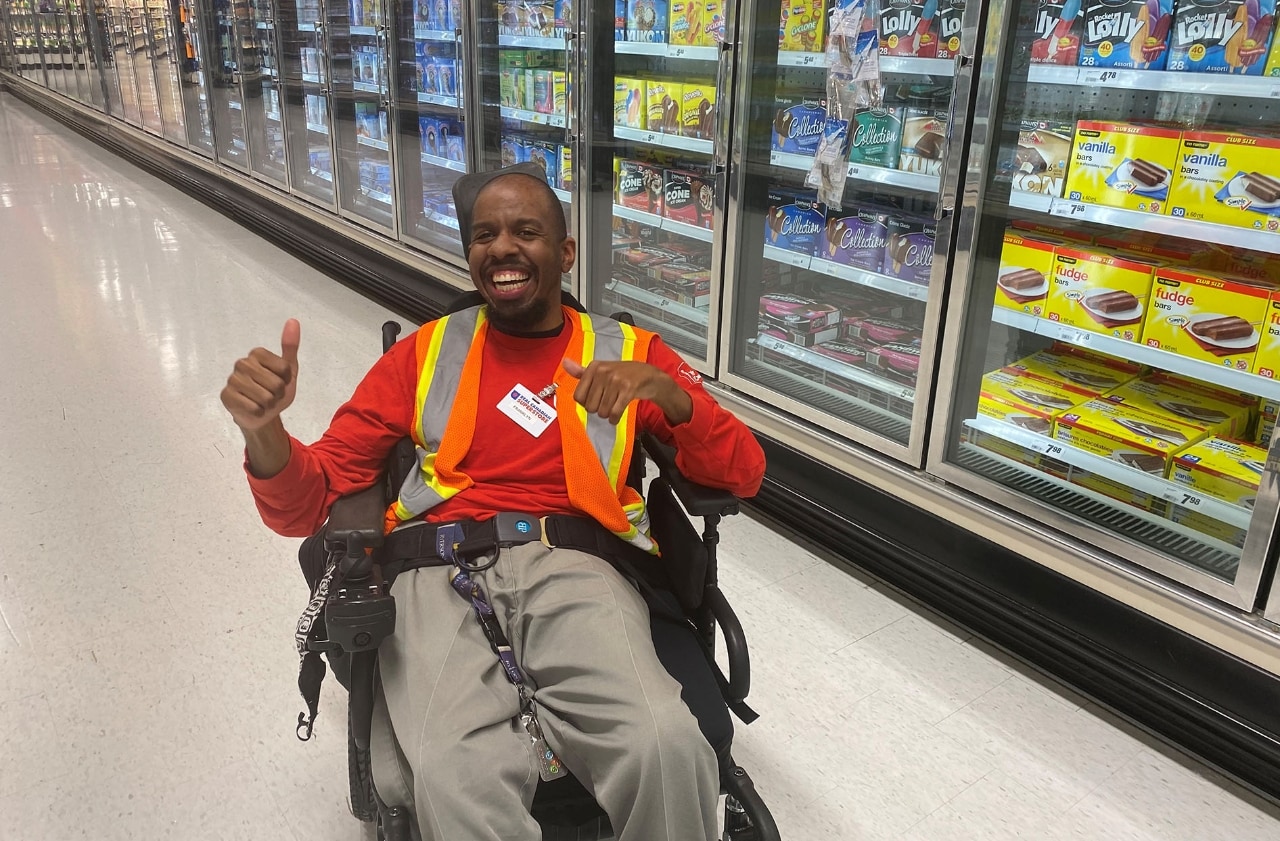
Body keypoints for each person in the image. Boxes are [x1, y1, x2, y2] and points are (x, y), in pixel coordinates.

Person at [220, 163, 766, 841]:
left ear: (565, 252)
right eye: (484, 234)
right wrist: (263, 430)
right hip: (435, 569)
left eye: (525, 231)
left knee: (665, 745)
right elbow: (308, 502)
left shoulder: (628, 353)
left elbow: (743, 471)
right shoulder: (423, 354)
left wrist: (671, 394)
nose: (501, 247)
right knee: (457, 774)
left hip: (580, 566)